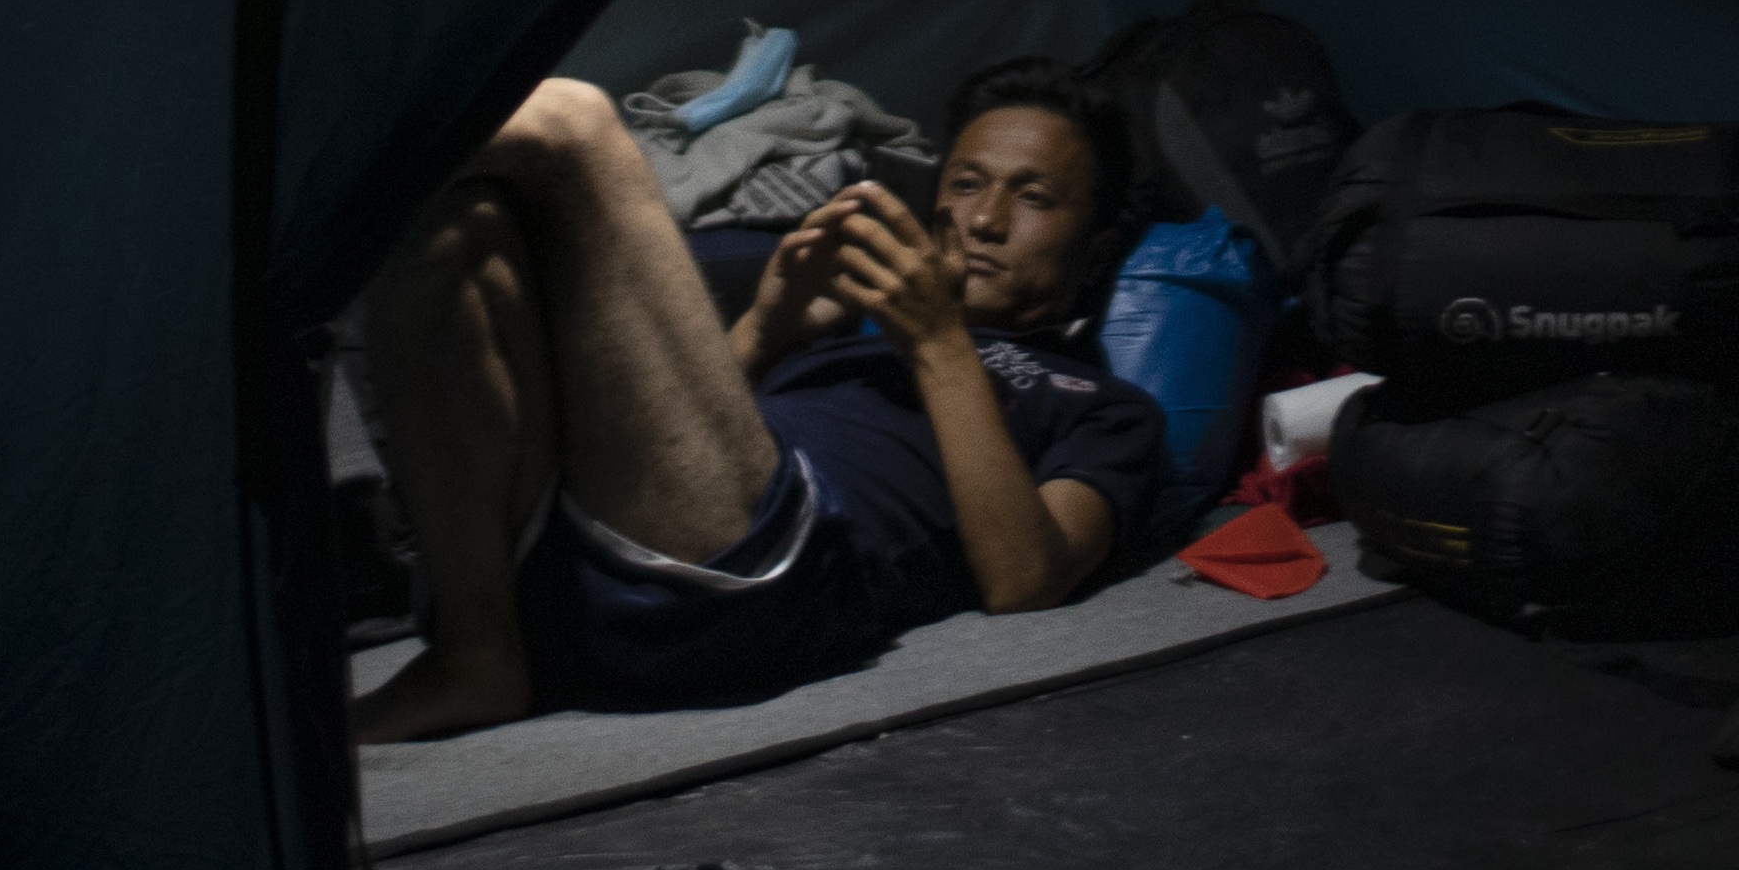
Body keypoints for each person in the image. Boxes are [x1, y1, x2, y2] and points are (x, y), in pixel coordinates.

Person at [344, 53, 1177, 745]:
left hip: (769, 584)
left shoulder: (1103, 405)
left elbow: (1026, 580)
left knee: (572, 122)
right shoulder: (850, 338)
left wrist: (936, 342)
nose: (984, 220)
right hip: (585, 554)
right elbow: (661, 458)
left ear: (1097, 245)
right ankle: (480, 649)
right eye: (965, 184)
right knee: (455, 229)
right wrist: (770, 330)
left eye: (1033, 198)